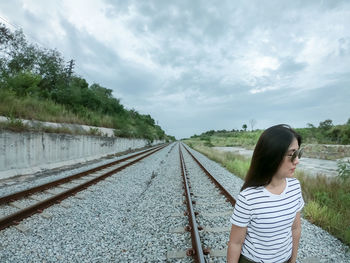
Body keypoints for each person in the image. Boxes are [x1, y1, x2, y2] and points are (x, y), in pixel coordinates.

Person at [227, 124, 304, 263]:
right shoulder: (248, 197)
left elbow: (296, 228)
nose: (297, 161)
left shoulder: (295, 187)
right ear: (272, 155)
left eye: (298, 153)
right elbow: (235, 243)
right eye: (291, 155)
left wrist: (292, 260)